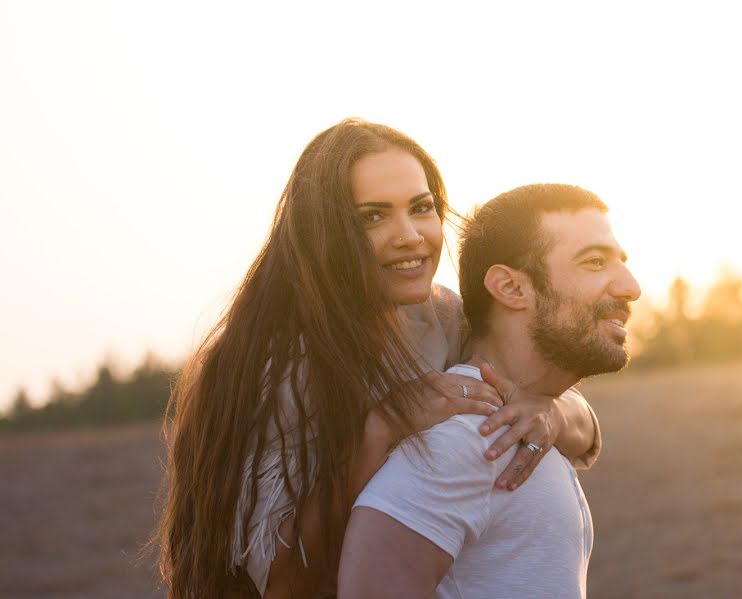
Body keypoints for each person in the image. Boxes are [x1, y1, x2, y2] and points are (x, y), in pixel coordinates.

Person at [154, 120, 603, 598]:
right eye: (372, 217)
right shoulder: (276, 370)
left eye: (421, 208)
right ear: (324, 233)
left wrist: (547, 410)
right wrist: (382, 427)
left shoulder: (444, 316)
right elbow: (281, 585)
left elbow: (587, 433)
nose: (409, 235)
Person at [339, 183, 641, 598]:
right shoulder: (466, 440)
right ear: (511, 288)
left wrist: (552, 411)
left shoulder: (530, 421)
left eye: (621, 263)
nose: (630, 287)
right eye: (594, 262)